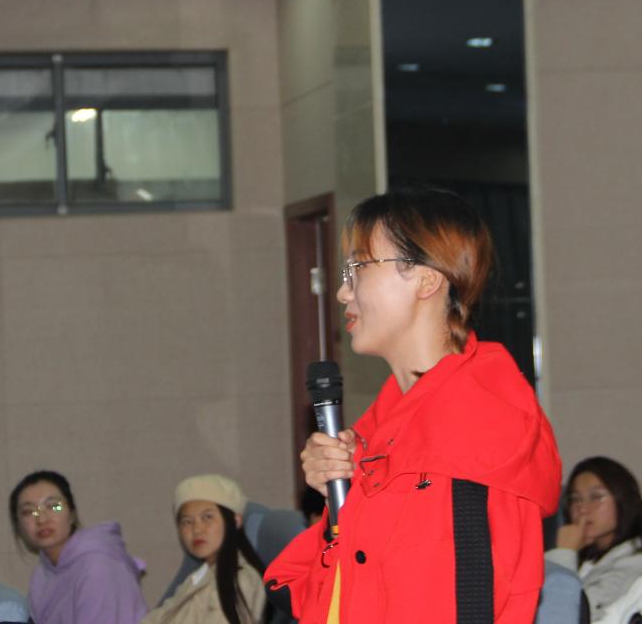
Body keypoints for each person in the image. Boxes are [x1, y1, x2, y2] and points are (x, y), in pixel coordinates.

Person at [264, 186, 562, 623]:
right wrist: (339, 493)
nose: (343, 293)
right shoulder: (382, 434)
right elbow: (312, 589)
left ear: (426, 279)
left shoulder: (474, 430)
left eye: (358, 268)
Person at [9, 470, 147, 624]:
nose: (41, 519)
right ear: (19, 525)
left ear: (72, 514)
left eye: (54, 507)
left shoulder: (99, 567)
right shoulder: (43, 573)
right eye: (28, 512)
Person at [142, 474, 266, 624]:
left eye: (207, 517)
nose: (197, 529)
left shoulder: (241, 580)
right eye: (187, 521)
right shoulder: (199, 575)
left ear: (235, 521)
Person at [546, 457, 642, 621]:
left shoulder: (634, 562)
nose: (582, 508)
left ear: (623, 499)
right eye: (575, 499)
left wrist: (564, 554)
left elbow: (565, 614)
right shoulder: (587, 559)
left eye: (596, 497)